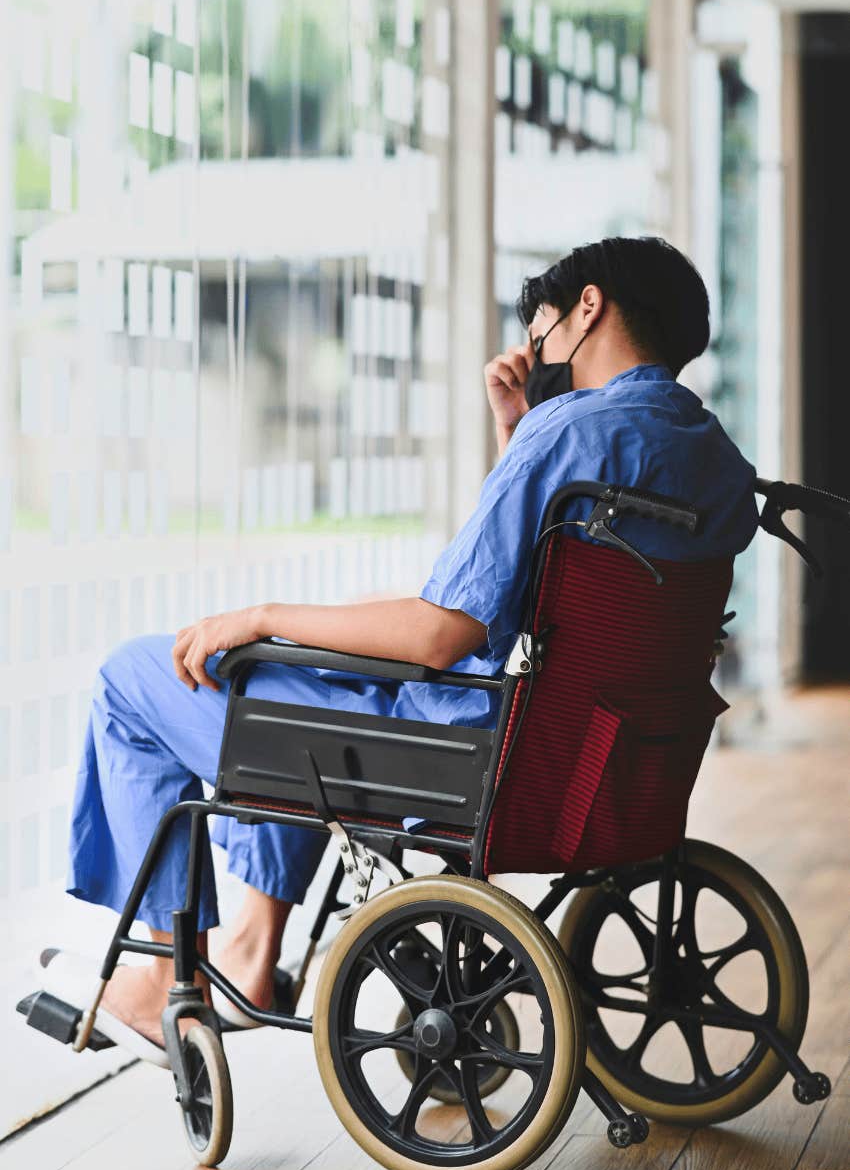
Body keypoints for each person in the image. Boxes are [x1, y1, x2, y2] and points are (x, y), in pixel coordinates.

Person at [50, 234, 759, 1061]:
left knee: (139, 676)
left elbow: (440, 632)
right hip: (585, 756)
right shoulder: (712, 455)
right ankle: (250, 950)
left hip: (456, 755)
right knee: (292, 680)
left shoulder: (570, 431)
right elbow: (556, 589)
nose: (539, 352)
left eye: (540, 332)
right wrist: (515, 431)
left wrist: (261, 613)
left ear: (589, 308)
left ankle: (169, 977)